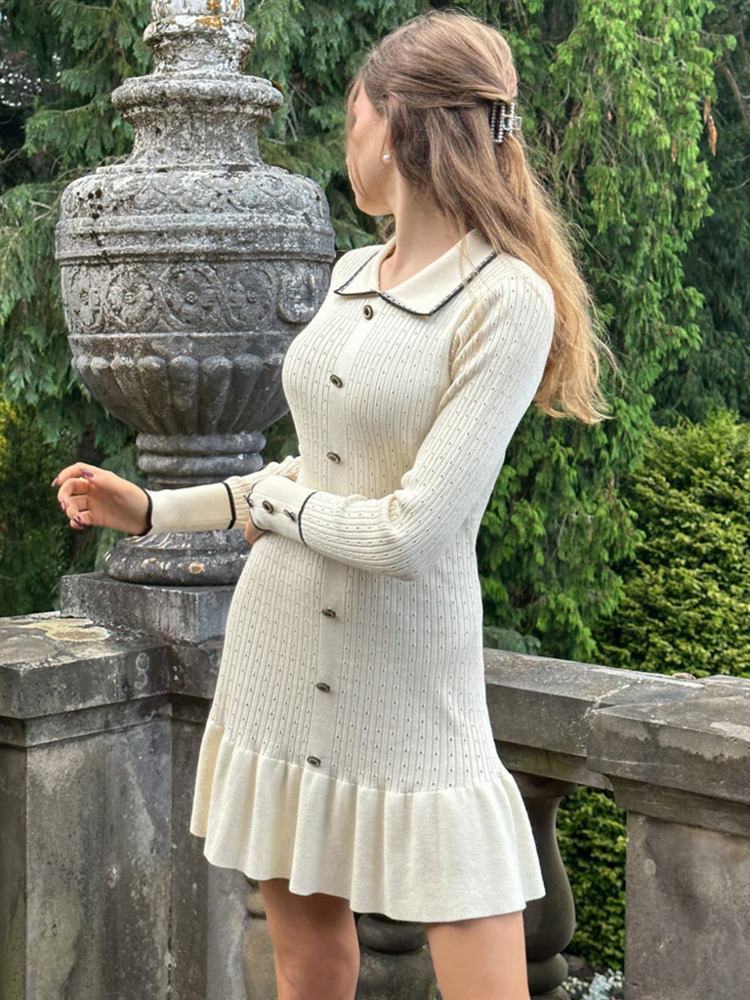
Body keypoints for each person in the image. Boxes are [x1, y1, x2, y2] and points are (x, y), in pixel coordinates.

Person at [54, 10, 608, 1000]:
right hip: (278, 654)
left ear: (397, 125)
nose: (347, 139)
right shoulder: (352, 274)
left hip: (411, 677)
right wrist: (153, 511)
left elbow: (412, 532)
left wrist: (278, 507)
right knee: (307, 965)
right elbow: (309, 471)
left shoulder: (506, 299)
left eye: (354, 116)